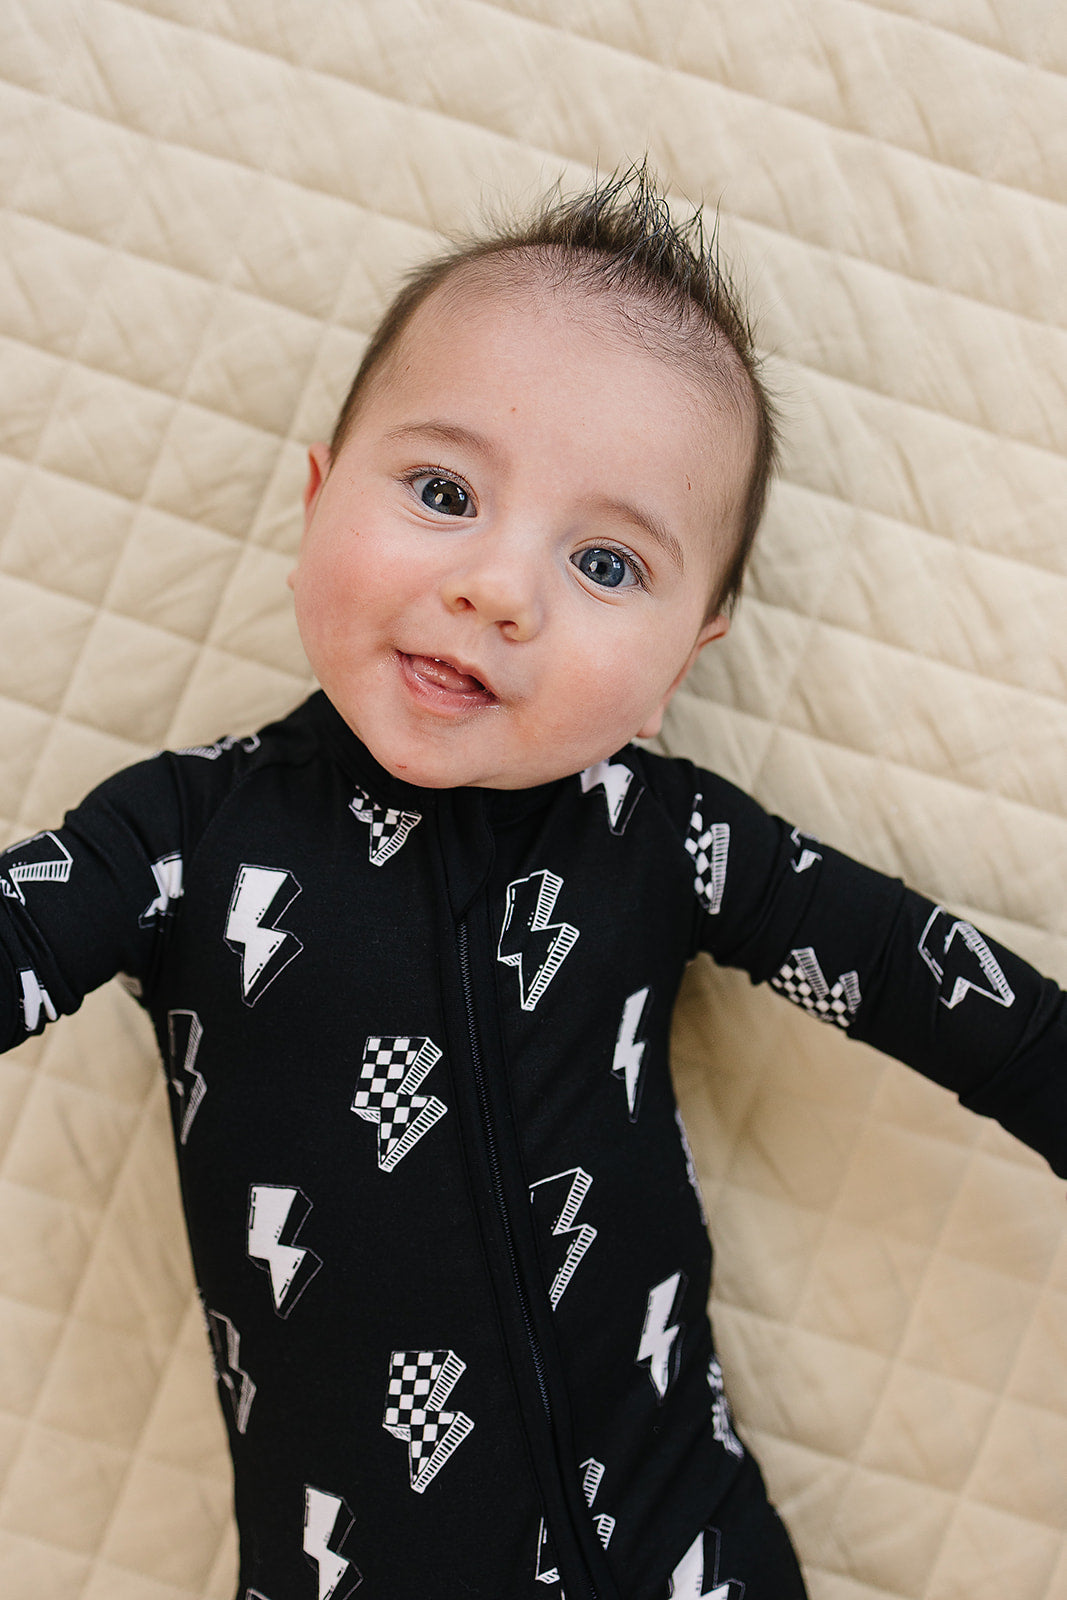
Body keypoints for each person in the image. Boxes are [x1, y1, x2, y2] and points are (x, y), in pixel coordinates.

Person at [0, 165, 1063, 1600]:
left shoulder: (667, 838)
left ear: (683, 661)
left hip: (693, 1562)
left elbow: (951, 998)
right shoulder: (181, 839)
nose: (500, 589)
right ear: (315, 502)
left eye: (607, 564)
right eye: (443, 493)